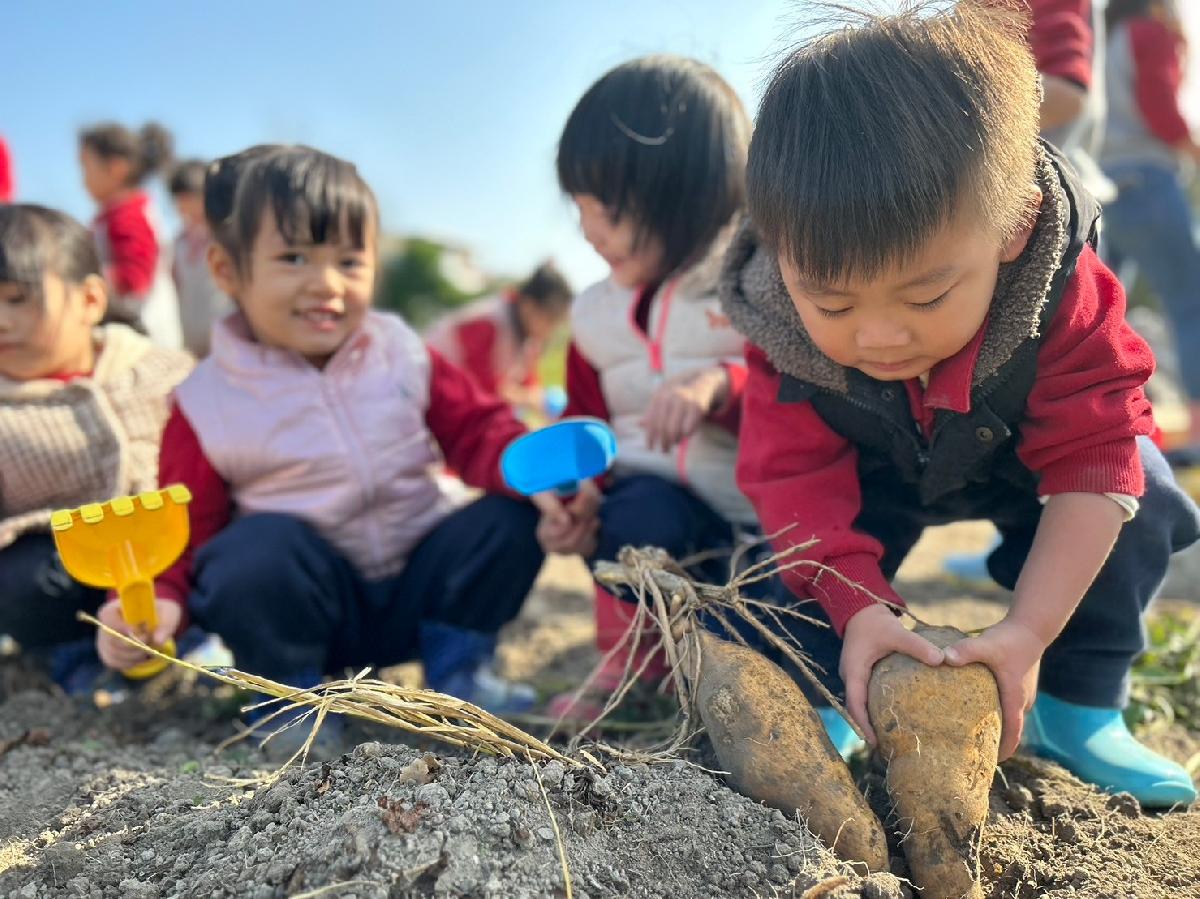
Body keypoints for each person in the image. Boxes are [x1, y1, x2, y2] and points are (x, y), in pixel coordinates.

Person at [720, 0, 1199, 806]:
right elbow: (794, 485)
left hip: (1018, 460)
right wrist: (858, 607)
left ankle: (1076, 708)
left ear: (1012, 227)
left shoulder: (1060, 289)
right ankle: (826, 690)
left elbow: (1097, 458)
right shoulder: (777, 324)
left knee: (1141, 487)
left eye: (927, 293)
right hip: (870, 469)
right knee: (787, 570)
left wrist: (1027, 633)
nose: (877, 335)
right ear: (780, 253)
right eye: (832, 304)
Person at [155, 145, 561, 756]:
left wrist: (537, 472)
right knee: (247, 553)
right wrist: (160, 602)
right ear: (228, 272)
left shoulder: (398, 349)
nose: (326, 285)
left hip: (418, 591)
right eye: (293, 257)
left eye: (349, 260)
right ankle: (290, 697)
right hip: (312, 611)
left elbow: (476, 429)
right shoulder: (205, 402)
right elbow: (184, 530)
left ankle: (459, 670)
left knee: (511, 514)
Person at [539, 55, 857, 743]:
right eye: (580, 207)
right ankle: (631, 659)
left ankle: (762, 674)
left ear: (692, 199)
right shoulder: (594, 316)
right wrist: (580, 495)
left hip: (755, 521)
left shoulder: (751, 282)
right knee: (629, 521)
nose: (588, 230)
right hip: (655, 507)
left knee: (776, 619)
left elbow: (797, 385)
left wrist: (719, 385)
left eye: (610, 210)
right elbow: (585, 421)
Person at [0, 203, 193, 692]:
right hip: (68, 577)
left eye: (18, 299)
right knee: (22, 581)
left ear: (89, 300)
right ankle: (77, 654)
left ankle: (189, 641)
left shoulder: (156, 371)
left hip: (172, 550)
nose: (1, 320)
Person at [1100, 0, 1200, 462]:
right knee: (1190, 305)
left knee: (1099, 315)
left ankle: (1111, 429)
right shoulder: (1150, 34)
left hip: (1101, 185)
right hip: (1149, 180)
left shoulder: (1104, 37)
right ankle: (1198, 431)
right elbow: (1159, 106)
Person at [79, 121, 182, 349]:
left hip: (144, 336)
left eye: (86, 167)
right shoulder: (111, 216)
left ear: (116, 168)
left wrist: (80, 282)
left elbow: (134, 278)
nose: (82, 180)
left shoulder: (130, 215)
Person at [425, 261, 571, 419]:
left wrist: (537, 398)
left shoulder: (527, 335)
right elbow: (478, 389)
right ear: (529, 306)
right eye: (550, 320)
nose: (552, 330)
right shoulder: (488, 321)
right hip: (431, 393)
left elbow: (528, 381)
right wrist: (526, 398)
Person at [167, 159, 233, 357]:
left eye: (188, 198)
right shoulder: (179, 242)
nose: (183, 206)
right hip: (191, 341)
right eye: (179, 199)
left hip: (226, 339)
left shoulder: (226, 237)